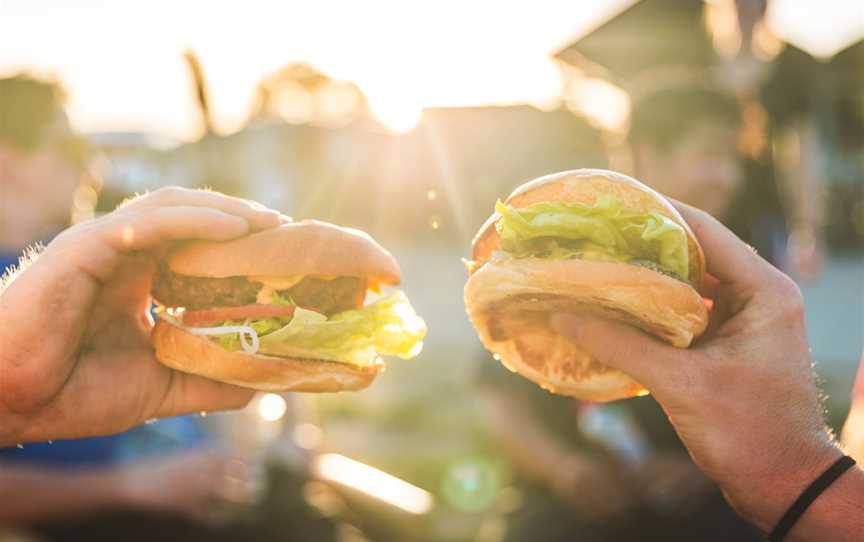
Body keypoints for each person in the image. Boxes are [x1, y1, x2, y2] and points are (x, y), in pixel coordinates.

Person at [552, 200, 864, 541]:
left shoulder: (734, 262)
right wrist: (563, 468)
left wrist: (792, 479)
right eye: (707, 156)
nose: (723, 175)